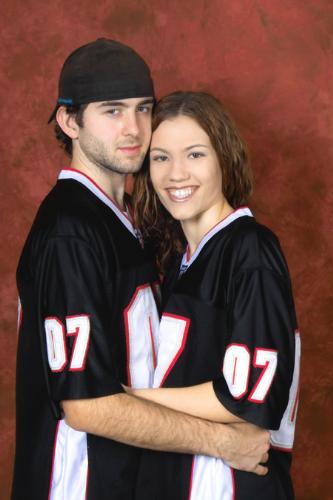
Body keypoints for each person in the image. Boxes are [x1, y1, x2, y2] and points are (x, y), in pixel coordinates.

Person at [12, 41, 270, 500]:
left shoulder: (132, 218)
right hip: (79, 484)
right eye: (112, 111)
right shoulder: (70, 230)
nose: (133, 129)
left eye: (143, 109)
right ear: (69, 121)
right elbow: (86, 407)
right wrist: (223, 442)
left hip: (133, 479)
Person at [131, 91, 301, 499]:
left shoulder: (250, 250)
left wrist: (128, 401)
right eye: (160, 157)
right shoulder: (182, 260)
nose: (176, 174)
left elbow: (245, 397)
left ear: (224, 157)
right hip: (181, 479)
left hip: (231, 486)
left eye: (194, 155)